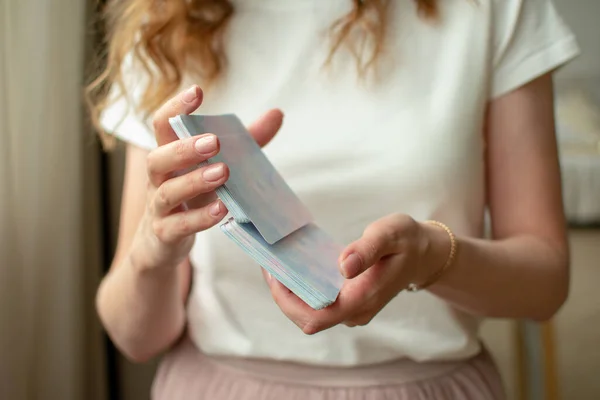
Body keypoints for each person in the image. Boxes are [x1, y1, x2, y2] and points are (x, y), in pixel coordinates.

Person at [87, 0, 579, 398]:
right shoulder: (163, 23)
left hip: (428, 387)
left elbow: (545, 285)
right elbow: (136, 338)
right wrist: (152, 255)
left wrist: (431, 259)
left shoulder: (496, 10)